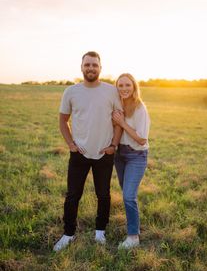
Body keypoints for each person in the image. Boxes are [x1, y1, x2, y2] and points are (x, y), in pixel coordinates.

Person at [53, 51, 122, 251]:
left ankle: (100, 231)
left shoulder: (111, 91)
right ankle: (68, 234)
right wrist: (71, 145)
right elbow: (63, 121)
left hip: (104, 153)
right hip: (79, 154)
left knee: (103, 195)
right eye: (87, 65)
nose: (90, 68)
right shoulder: (71, 92)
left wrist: (113, 146)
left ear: (101, 68)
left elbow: (118, 123)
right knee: (73, 195)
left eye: (94, 65)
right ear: (81, 67)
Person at [112, 73, 150, 249]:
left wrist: (122, 122)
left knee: (128, 196)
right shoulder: (117, 105)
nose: (124, 89)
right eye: (121, 85)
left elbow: (142, 139)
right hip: (120, 155)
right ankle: (132, 222)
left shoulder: (140, 108)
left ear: (134, 87)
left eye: (128, 85)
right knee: (127, 194)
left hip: (136, 155)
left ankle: (133, 237)